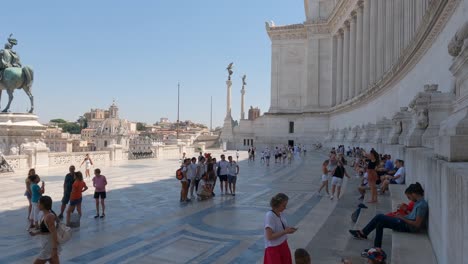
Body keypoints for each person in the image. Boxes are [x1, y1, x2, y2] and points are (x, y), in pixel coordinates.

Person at [349, 183, 428, 248]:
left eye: (409, 197)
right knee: (380, 223)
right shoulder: (418, 202)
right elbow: (413, 217)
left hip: (407, 226)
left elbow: (417, 224)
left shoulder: (422, 205)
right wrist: (404, 212)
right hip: (405, 222)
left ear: (414, 194)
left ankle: (363, 233)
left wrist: (402, 218)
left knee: (379, 216)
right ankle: (377, 248)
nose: (410, 199)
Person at [264, 193, 297, 264]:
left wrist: (288, 230)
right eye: (284, 205)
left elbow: (281, 227)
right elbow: (269, 237)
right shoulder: (270, 216)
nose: (285, 207)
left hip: (283, 244)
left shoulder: (280, 213)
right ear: (277, 204)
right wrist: (285, 231)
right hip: (274, 248)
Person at [29, 196, 60, 264]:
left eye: (39, 203)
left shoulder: (49, 217)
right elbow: (46, 231)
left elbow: (54, 233)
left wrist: (54, 249)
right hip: (46, 244)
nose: (38, 204)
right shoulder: (44, 214)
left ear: (43, 205)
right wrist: (36, 233)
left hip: (49, 246)